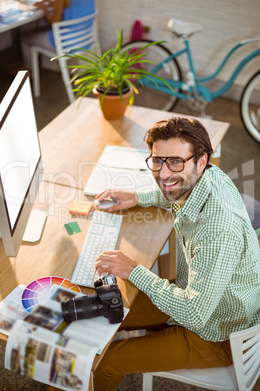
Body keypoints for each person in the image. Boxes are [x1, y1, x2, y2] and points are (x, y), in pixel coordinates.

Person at [93, 117, 260, 391]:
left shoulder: (218, 231)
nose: (164, 173)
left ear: (201, 161)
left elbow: (194, 314)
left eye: (176, 162)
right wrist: (137, 197)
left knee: (107, 361)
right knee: (104, 312)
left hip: (218, 333)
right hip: (196, 296)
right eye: (157, 161)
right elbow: (178, 188)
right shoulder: (210, 176)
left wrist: (134, 271)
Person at [20, 0, 95, 70]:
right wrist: (56, 4)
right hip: (86, 39)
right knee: (39, 30)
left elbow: (54, 23)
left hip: (66, 45)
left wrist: (44, 8)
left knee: (24, 38)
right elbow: (76, 4)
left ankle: (29, 69)